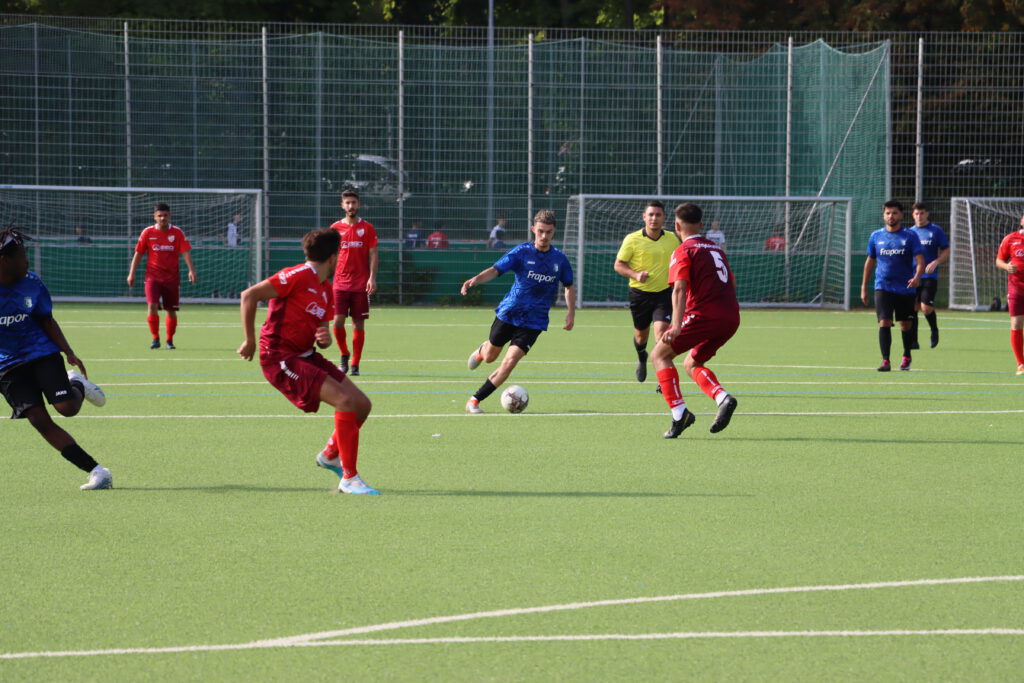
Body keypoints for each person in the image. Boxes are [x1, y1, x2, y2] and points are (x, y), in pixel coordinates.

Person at [237, 228, 379, 495]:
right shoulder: (297, 275)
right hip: (279, 357)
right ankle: (349, 478)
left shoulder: (326, 289)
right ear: (334, 257)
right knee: (345, 401)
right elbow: (249, 295)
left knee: (362, 405)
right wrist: (250, 340)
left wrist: (324, 338)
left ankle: (330, 456)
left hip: (305, 354)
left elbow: (322, 336)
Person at [0, 228, 111, 490]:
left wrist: (69, 352)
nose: (27, 261)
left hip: (41, 352)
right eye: (22, 256)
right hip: (6, 365)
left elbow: (47, 320)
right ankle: (97, 472)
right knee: (39, 420)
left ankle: (77, 384)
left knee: (67, 408)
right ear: (5, 260)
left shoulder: (33, 283)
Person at [462, 209, 576, 413]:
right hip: (510, 313)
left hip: (534, 321)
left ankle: (474, 400)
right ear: (533, 229)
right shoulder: (521, 252)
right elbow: (495, 270)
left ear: (554, 232)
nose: (544, 236)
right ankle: (482, 351)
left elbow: (568, 286)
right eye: (540, 231)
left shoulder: (560, 259)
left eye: (548, 232)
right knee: (490, 357)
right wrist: (475, 280)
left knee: (510, 361)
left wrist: (571, 313)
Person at [650, 203, 740, 439]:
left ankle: (679, 414)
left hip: (704, 315)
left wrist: (677, 325)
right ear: (701, 225)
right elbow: (732, 283)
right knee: (692, 362)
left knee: (659, 355)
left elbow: (679, 289)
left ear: (677, 226)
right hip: (731, 317)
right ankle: (722, 398)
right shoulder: (716, 249)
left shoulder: (684, 250)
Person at [613, 200, 679, 383]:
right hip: (639, 295)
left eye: (658, 215)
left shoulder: (672, 239)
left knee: (662, 333)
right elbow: (618, 265)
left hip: (664, 294)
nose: (654, 218)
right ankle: (642, 356)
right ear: (644, 217)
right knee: (641, 336)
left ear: (664, 218)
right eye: (650, 214)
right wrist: (635, 274)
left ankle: (663, 379)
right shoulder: (632, 239)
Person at [860, 200, 925, 372]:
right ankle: (885, 361)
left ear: (901, 215)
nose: (891, 216)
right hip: (883, 286)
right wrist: (864, 286)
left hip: (905, 287)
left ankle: (906, 355)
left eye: (894, 213)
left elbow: (920, 261)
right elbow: (870, 261)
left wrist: (917, 277)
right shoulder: (876, 236)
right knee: (884, 321)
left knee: (905, 324)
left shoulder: (910, 236)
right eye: (888, 213)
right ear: (883, 215)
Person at [127, 203, 197, 350]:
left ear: (169, 216)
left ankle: (169, 340)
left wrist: (191, 270)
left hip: (172, 278)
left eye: (165, 215)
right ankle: (155, 338)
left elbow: (185, 252)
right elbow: (138, 254)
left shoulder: (177, 233)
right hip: (152, 277)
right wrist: (131, 273)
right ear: (154, 217)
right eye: (160, 215)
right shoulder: (147, 232)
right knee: (152, 305)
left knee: (171, 310)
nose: (163, 218)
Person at [329, 189, 378, 377]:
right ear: (342, 206)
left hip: (360, 284)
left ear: (359, 205)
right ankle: (344, 355)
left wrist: (372, 278)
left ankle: (355, 364)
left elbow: (373, 254)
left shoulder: (367, 228)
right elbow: (329, 255)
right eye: (347, 203)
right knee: (337, 322)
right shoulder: (335, 228)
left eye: (353, 203)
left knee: (358, 324)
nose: (351, 206)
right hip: (340, 283)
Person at [909, 202, 950, 349]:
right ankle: (913, 340)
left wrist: (936, 262)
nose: (919, 216)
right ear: (913, 215)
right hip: (912, 276)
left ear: (927, 214)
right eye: (916, 214)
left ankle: (934, 330)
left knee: (925, 307)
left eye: (922, 213)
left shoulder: (936, 230)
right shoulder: (909, 233)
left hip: (929, 276)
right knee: (913, 307)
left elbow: (946, 250)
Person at [995, 213, 1024, 375]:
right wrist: (1007, 267)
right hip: (1016, 288)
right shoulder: (1010, 239)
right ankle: (1021, 363)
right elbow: (999, 260)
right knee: (1016, 324)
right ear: (1021, 221)